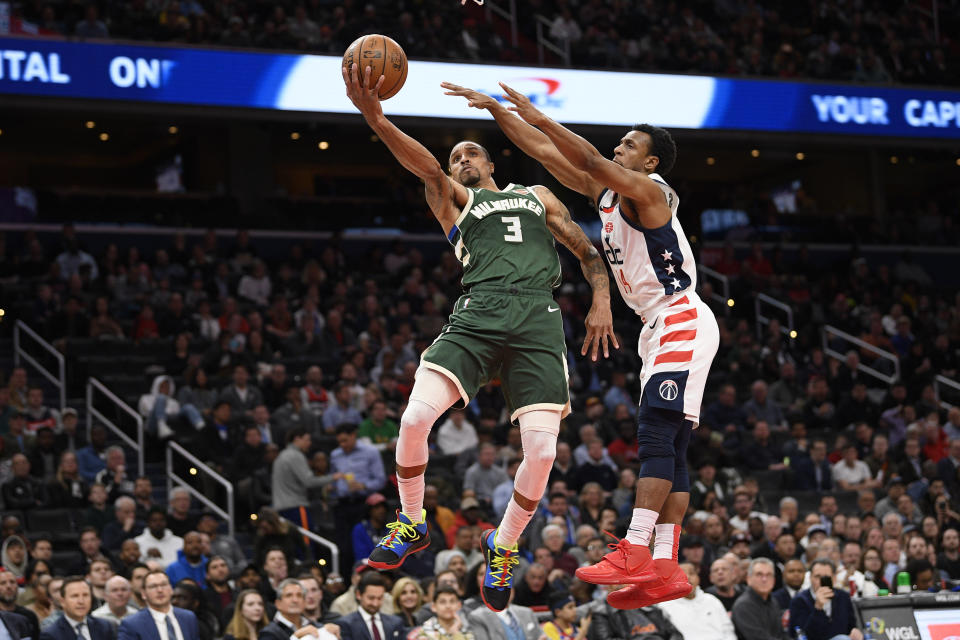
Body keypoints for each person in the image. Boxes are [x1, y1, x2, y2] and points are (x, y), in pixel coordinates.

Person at [344, 64, 615, 615]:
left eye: (471, 155)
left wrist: (602, 299)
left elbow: (587, 252)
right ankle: (413, 520)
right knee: (414, 420)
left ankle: (505, 544)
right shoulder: (452, 200)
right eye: (454, 158)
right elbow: (421, 162)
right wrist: (378, 118)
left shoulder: (537, 194)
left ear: (492, 163)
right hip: (479, 311)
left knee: (541, 452)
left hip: (538, 317)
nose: (460, 162)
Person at [443, 80, 718, 610]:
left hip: (680, 315)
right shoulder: (612, 195)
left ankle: (635, 548)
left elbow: (586, 155)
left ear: (651, 160)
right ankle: (664, 567)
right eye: (620, 144)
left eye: (629, 146)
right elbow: (542, 151)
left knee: (656, 433)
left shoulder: (651, 191)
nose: (619, 149)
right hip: (657, 325)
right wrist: (500, 112)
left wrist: (534, 111)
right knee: (675, 445)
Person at [656, 563, 736, 640]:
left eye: (691, 573)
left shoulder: (712, 601)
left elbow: (728, 631)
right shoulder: (664, 606)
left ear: (698, 578)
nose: (687, 577)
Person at [788, 559, 863, 640]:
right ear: (810, 578)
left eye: (826, 577)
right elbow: (803, 635)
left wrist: (855, 632)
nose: (821, 581)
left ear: (834, 578)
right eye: (817, 577)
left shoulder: (843, 597)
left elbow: (852, 627)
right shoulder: (799, 600)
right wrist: (818, 608)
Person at [118, 570, 199, 640]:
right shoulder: (132, 624)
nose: (160, 590)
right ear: (143, 593)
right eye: (153, 586)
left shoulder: (188, 617)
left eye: (164, 585)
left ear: (171, 589)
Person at [40, 576, 116, 640]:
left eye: (85, 595)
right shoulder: (51, 634)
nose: (81, 601)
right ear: (62, 602)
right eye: (75, 596)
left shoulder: (105, 627)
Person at [260, 580, 338, 640]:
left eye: (299, 595)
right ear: (278, 603)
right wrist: (295, 637)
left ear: (304, 602)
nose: (295, 600)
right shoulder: (268, 633)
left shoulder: (317, 627)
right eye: (289, 595)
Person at [336, 573, 405, 640]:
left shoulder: (396, 622)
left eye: (380, 598)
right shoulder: (346, 624)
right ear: (358, 595)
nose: (375, 603)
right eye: (371, 598)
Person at [730, 558, 787, 640]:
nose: (764, 579)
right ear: (748, 579)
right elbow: (759, 638)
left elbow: (781, 634)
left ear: (774, 581)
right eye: (759, 575)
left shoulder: (773, 602)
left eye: (768, 575)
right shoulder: (743, 605)